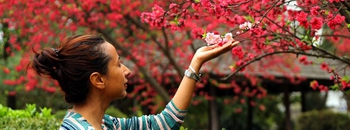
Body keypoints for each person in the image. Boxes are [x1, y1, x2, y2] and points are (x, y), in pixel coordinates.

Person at [31, 34, 239, 130]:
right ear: (98, 79)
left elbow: (166, 123)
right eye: (119, 64)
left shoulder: (107, 125)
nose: (127, 71)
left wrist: (196, 62)